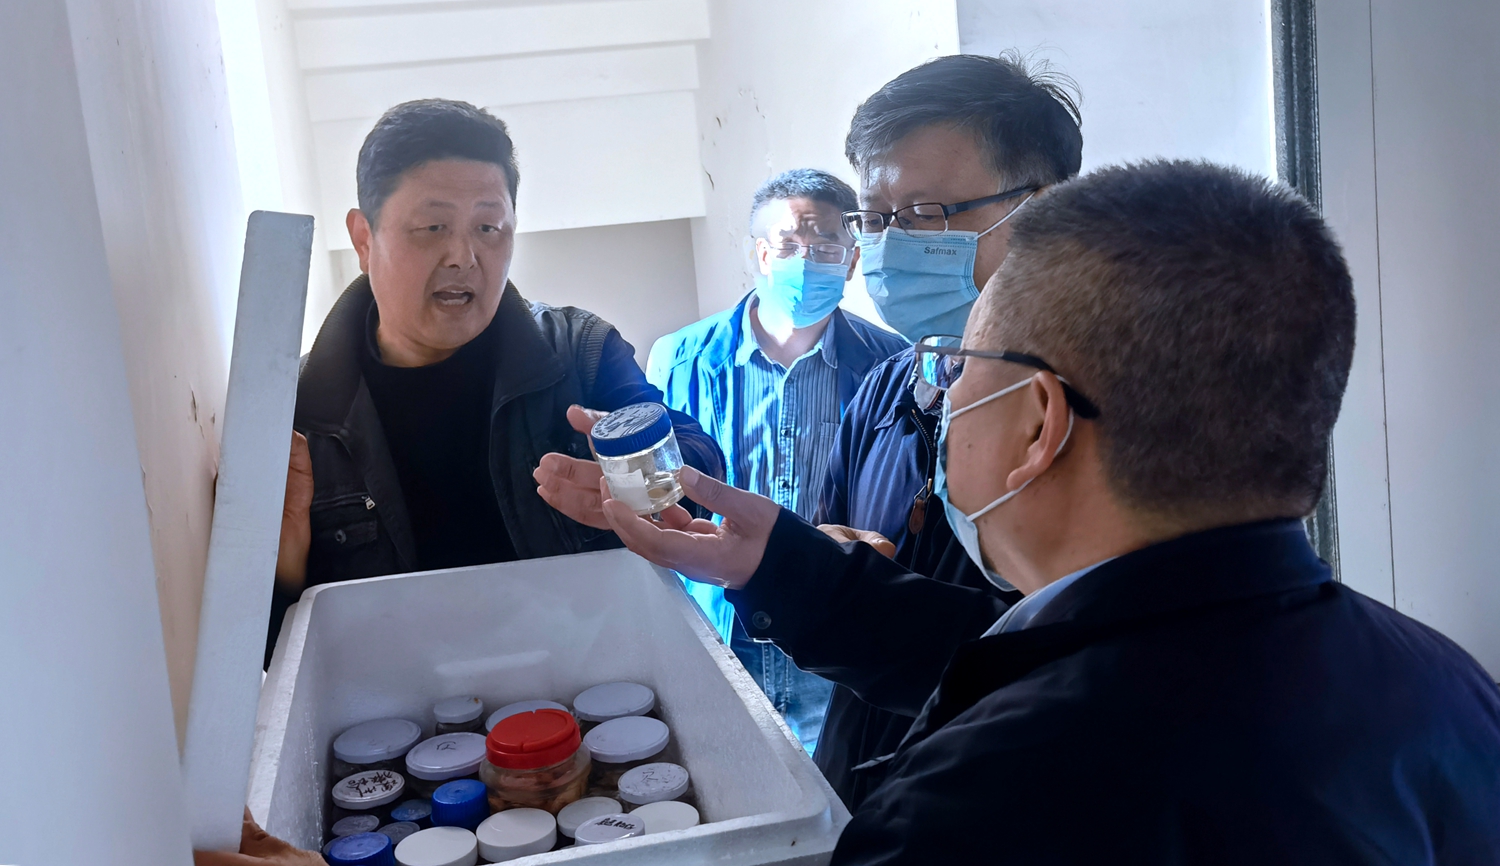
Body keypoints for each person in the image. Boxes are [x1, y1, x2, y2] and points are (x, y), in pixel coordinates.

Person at [585, 160, 1500, 863]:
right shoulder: (1448, 690)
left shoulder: (981, 799)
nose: (940, 396)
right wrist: (776, 562)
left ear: (1037, 422)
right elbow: (1003, 654)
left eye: (959, 368)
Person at [267, 99, 724, 663]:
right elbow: (271, 659)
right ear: (364, 239)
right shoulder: (299, 414)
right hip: (400, 711)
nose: (464, 257)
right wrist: (285, 572)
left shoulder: (578, 354)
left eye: (488, 228)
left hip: (596, 692)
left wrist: (645, 476)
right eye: (432, 227)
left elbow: (700, 462)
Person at [814, 51, 1084, 806]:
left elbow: (1056, 656)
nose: (891, 245)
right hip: (861, 788)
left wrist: (821, 593)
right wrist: (823, 560)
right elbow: (832, 533)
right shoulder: (884, 389)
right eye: (875, 219)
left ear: (1043, 210)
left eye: (925, 214)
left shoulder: (1090, 415)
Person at [646, 169, 907, 754]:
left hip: (830, 622)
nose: (806, 261)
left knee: (830, 780)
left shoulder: (891, 363)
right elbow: (660, 488)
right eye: (789, 244)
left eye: (826, 246)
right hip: (718, 619)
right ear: (761, 255)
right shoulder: (679, 358)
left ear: (852, 260)